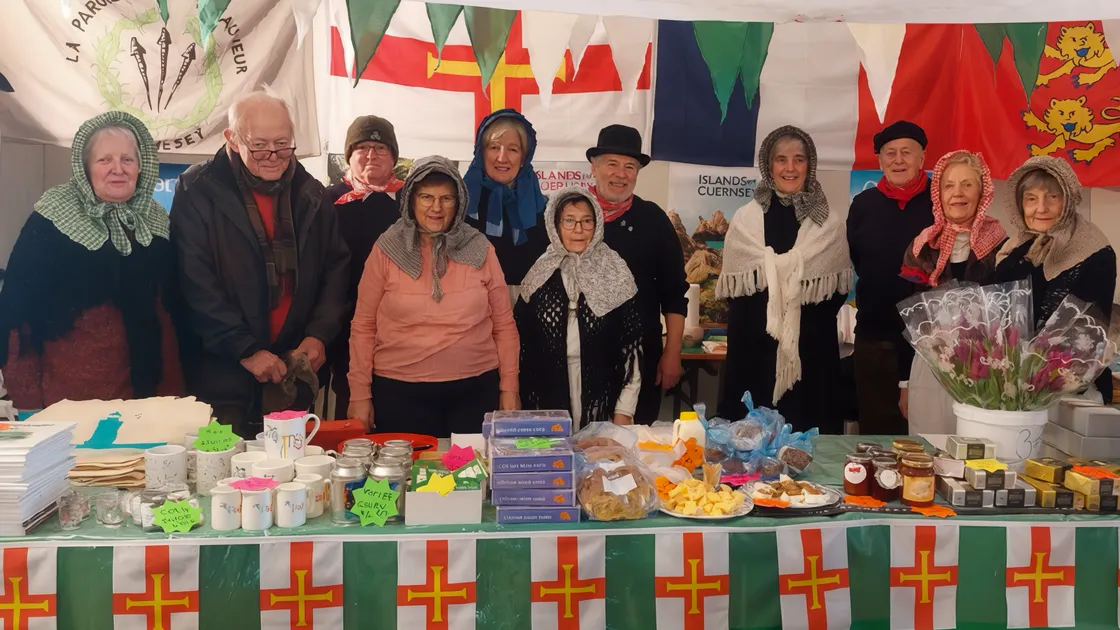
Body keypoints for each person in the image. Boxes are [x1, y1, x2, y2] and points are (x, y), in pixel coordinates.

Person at [171, 91, 350, 437]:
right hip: (221, 378)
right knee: (220, 466)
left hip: (292, 376)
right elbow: (194, 284)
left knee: (288, 466)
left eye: (283, 145)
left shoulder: (311, 193)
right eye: (259, 146)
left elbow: (336, 270)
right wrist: (246, 350)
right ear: (232, 139)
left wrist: (318, 335)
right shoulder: (197, 190)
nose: (273, 156)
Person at [0, 111, 182, 409]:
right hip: (69, 403)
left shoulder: (155, 219)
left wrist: (172, 397)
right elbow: (17, 318)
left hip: (148, 399)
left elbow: (168, 316)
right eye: (104, 160)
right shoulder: (52, 219)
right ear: (85, 168)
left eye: (127, 159)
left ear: (141, 166)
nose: (117, 169)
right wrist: (29, 406)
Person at [347, 156, 520, 437]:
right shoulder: (387, 249)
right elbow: (363, 326)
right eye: (426, 197)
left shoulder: (480, 248)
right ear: (411, 200)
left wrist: (510, 388)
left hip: (475, 391)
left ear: (459, 202)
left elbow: (504, 325)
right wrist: (359, 394)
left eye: (446, 198)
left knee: (472, 466)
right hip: (399, 393)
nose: (436, 208)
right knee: (409, 468)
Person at [716, 126, 851, 433]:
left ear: (809, 165)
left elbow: (836, 294)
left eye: (799, 159)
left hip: (810, 358)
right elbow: (736, 295)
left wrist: (795, 326)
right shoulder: (745, 220)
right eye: (781, 159)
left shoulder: (828, 223)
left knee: (809, 441)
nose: (790, 168)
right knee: (751, 443)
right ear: (769, 165)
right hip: (753, 353)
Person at [516, 186, 644, 427]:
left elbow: (631, 348)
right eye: (569, 221)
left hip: (602, 399)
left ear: (597, 225)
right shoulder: (539, 272)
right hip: (546, 399)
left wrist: (624, 410)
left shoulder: (615, 271)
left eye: (587, 221)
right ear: (555, 225)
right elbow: (522, 345)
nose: (578, 230)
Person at [899, 150, 1007, 434]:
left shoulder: (1002, 247)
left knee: (979, 450)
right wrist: (904, 384)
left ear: (982, 192)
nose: (957, 193)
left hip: (987, 370)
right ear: (939, 194)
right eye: (949, 185)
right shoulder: (922, 248)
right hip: (931, 369)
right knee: (928, 450)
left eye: (967, 184)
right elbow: (908, 322)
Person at [587, 124, 688, 424]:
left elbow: (674, 293)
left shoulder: (653, 219)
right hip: (582, 358)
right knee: (582, 442)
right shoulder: (573, 215)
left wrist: (672, 354)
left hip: (641, 357)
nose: (621, 174)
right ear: (594, 168)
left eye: (629, 166)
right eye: (612, 164)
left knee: (635, 441)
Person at [996, 156, 1116, 402]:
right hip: (1011, 382)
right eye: (1031, 199)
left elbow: (1089, 332)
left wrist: (1035, 371)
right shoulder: (1015, 248)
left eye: (1052, 197)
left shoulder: (1094, 251)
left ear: (1069, 199)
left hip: (1070, 387)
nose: (1041, 208)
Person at [847, 120, 934, 435]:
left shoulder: (940, 203)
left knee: (925, 437)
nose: (898, 160)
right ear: (880, 160)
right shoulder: (863, 205)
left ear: (922, 158)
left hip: (929, 344)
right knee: (875, 434)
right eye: (890, 153)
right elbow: (859, 260)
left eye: (906, 152)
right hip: (874, 338)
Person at [324, 115, 402, 418]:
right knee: (354, 416)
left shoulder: (411, 200)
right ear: (349, 156)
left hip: (401, 328)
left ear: (393, 156)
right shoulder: (327, 201)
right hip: (345, 329)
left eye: (380, 148)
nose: (371, 155)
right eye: (362, 148)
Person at [463, 109, 549, 297]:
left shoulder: (544, 209)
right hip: (474, 303)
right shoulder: (463, 203)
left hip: (530, 305)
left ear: (524, 157)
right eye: (494, 147)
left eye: (513, 149)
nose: (502, 158)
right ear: (481, 152)